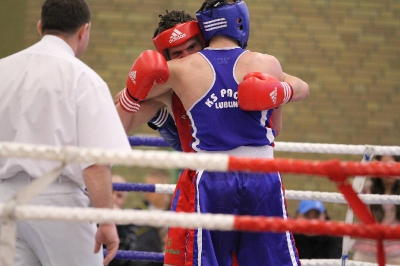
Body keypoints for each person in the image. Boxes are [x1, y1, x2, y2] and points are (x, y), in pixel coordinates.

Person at [118, 0, 309, 264]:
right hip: (198, 179)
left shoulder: (222, 68)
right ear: (167, 59)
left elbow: (295, 86)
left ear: (203, 41)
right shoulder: (167, 84)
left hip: (224, 176)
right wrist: (131, 94)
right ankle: (164, 121)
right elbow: (117, 121)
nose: (185, 57)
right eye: (177, 53)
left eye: (192, 47)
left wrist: (281, 92)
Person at [0, 0, 131, 265]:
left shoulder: (3, 70)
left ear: (40, 27)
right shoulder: (83, 79)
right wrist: (106, 220)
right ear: (84, 31)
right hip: (57, 201)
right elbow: (95, 163)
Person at [109, 171, 172, 266]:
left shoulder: (176, 212)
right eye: (146, 186)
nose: (147, 191)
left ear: (164, 189)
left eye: (151, 187)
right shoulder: (137, 212)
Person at [351, 155, 400, 265]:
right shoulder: (367, 188)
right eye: (384, 166)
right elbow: (349, 194)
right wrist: (367, 169)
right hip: (366, 250)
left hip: (396, 252)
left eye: (392, 166)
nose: (388, 170)